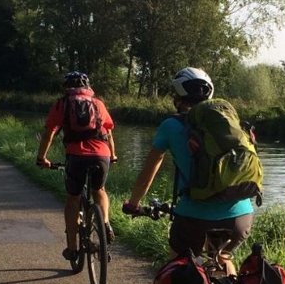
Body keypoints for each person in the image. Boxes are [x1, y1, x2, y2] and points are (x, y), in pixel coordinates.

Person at [122, 67, 254, 260]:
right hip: (240, 215)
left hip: (194, 217)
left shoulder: (171, 126)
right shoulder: (229, 123)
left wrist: (134, 204)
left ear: (178, 98)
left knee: (175, 267)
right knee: (221, 259)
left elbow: (149, 171)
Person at [36, 71, 117, 262]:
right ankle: (105, 223)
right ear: (88, 87)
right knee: (100, 190)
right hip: (101, 155)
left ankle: (72, 248)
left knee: (73, 198)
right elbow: (109, 133)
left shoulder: (62, 104)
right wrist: (113, 155)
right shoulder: (98, 104)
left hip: (76, 155)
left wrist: (42, 158)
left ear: (66, 88)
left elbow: (49, 133)